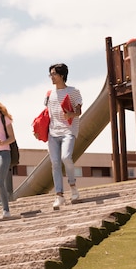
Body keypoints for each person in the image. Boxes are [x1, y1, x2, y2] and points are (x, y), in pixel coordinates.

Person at [45, 63, 82, 209]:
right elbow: (46, 114)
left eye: (54, 74)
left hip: (68, 131)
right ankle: (59, 196)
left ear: (62, 75)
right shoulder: (49, 94)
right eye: (50, 74)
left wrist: (70, 114)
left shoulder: (73, 92)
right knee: (55, 163)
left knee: (66, 157)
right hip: (52, 133)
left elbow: (79, 111)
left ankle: (73, 186)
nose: (51, 77)